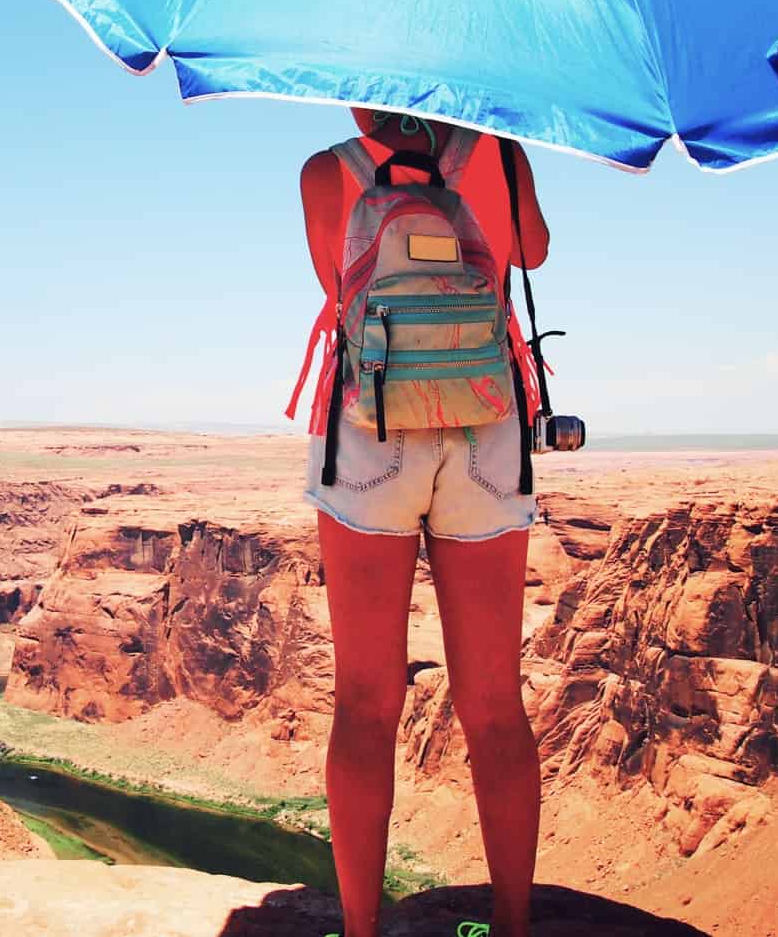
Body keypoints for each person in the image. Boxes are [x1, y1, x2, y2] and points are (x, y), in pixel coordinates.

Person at [294, 106, 551, 937]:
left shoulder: (326, 170)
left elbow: (337, 288)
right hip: (489, 426)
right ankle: (512, 928)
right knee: (495, 705)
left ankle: (363, 931)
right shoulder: (501, 156)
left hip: (370, 432)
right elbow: (534, 253)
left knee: (364, 701)